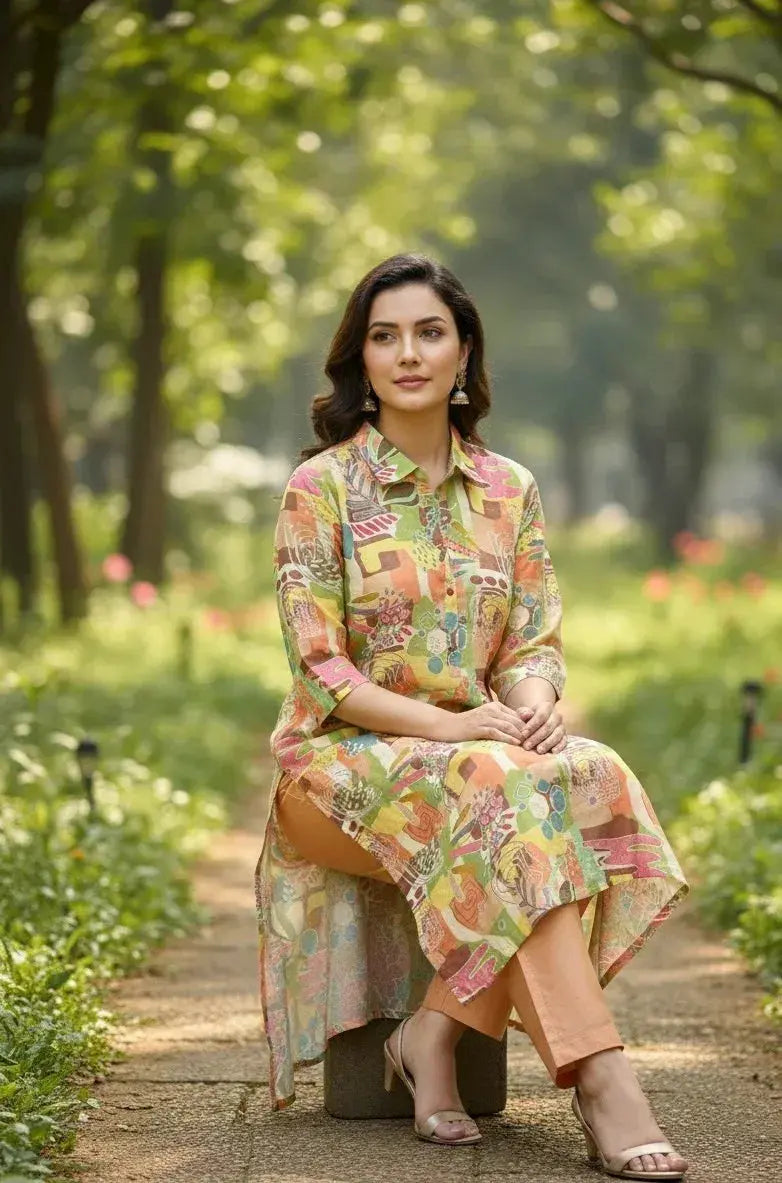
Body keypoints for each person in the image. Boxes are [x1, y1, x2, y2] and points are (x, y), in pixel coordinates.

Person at [255, 253, 690, 1179]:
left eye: (429, 332)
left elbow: (532, 644)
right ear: (362, 360)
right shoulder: (322, 489)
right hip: (338, 772)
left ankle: (432, 1029)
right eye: (385, 336)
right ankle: (604, 1079)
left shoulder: (509, 489)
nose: (408, 353)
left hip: (481, 762)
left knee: (587, 770)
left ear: (463, 353)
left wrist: (531, 708)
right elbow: (322, 672)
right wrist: (453, 727)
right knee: (506, 789)